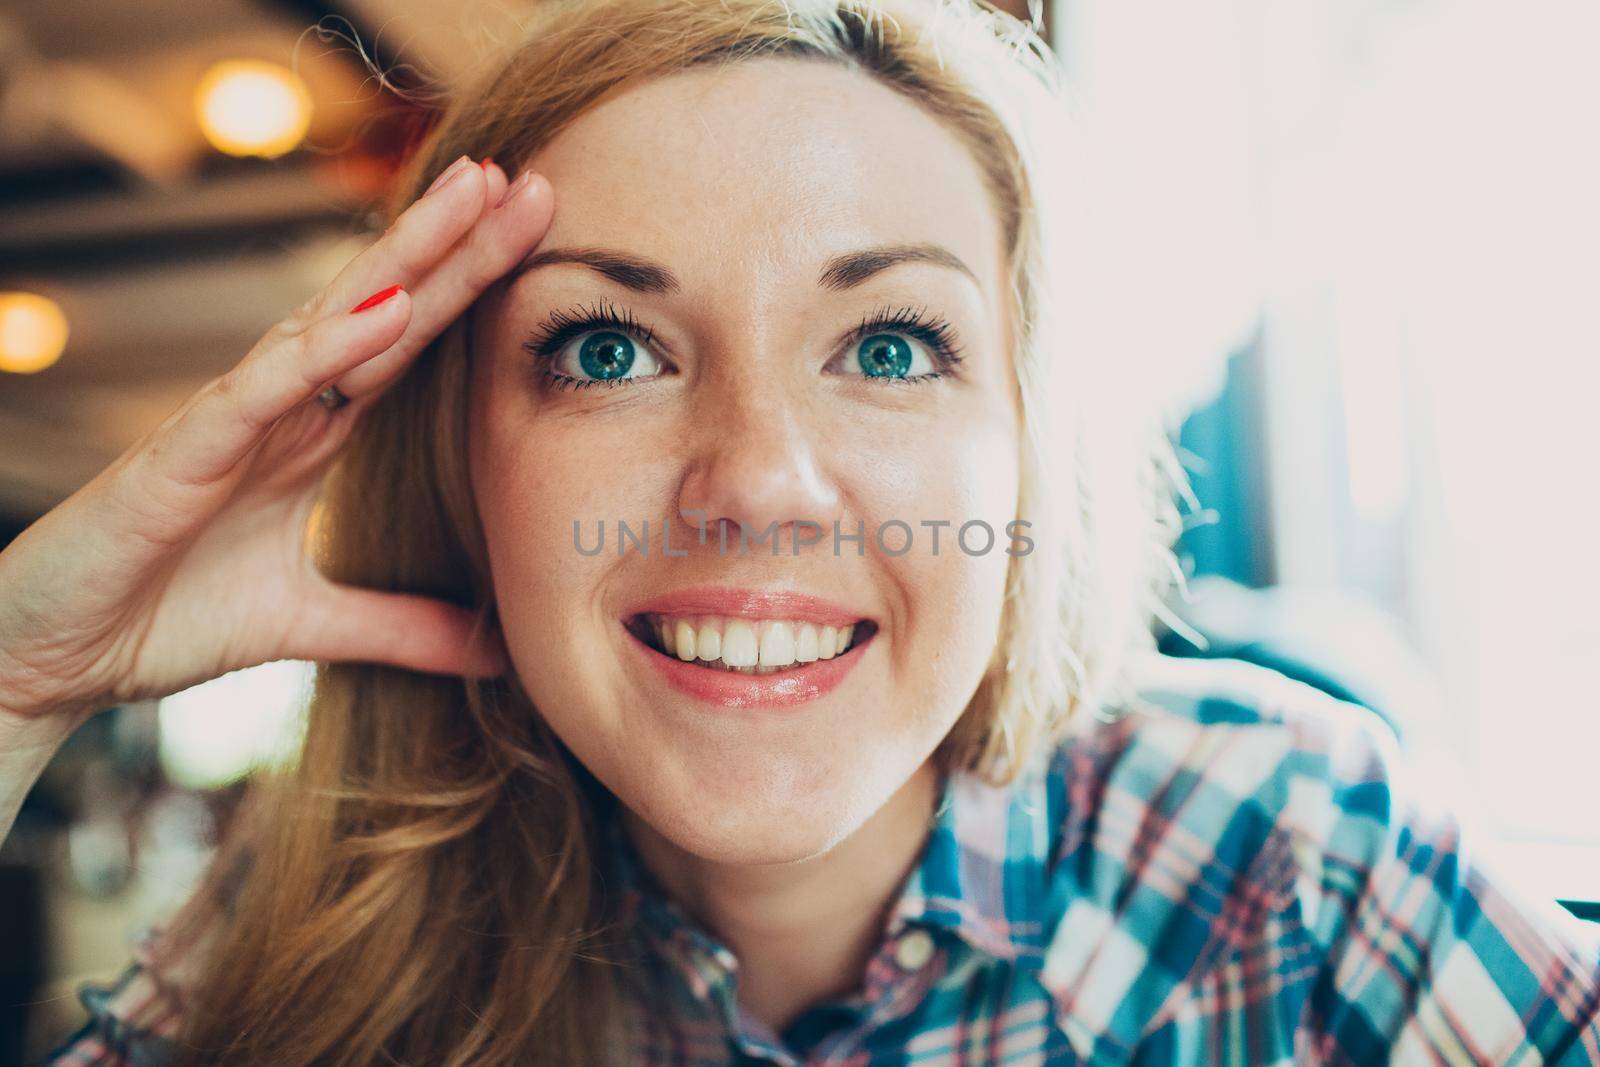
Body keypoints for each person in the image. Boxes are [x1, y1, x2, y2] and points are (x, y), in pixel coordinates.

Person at [3, 0, 1598, 1063]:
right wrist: (16, 687)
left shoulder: (1294, 863)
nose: (758, 481)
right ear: (464, 462)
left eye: (892, 347)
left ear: (1028, 450)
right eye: (608, 350)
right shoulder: (325, 922)